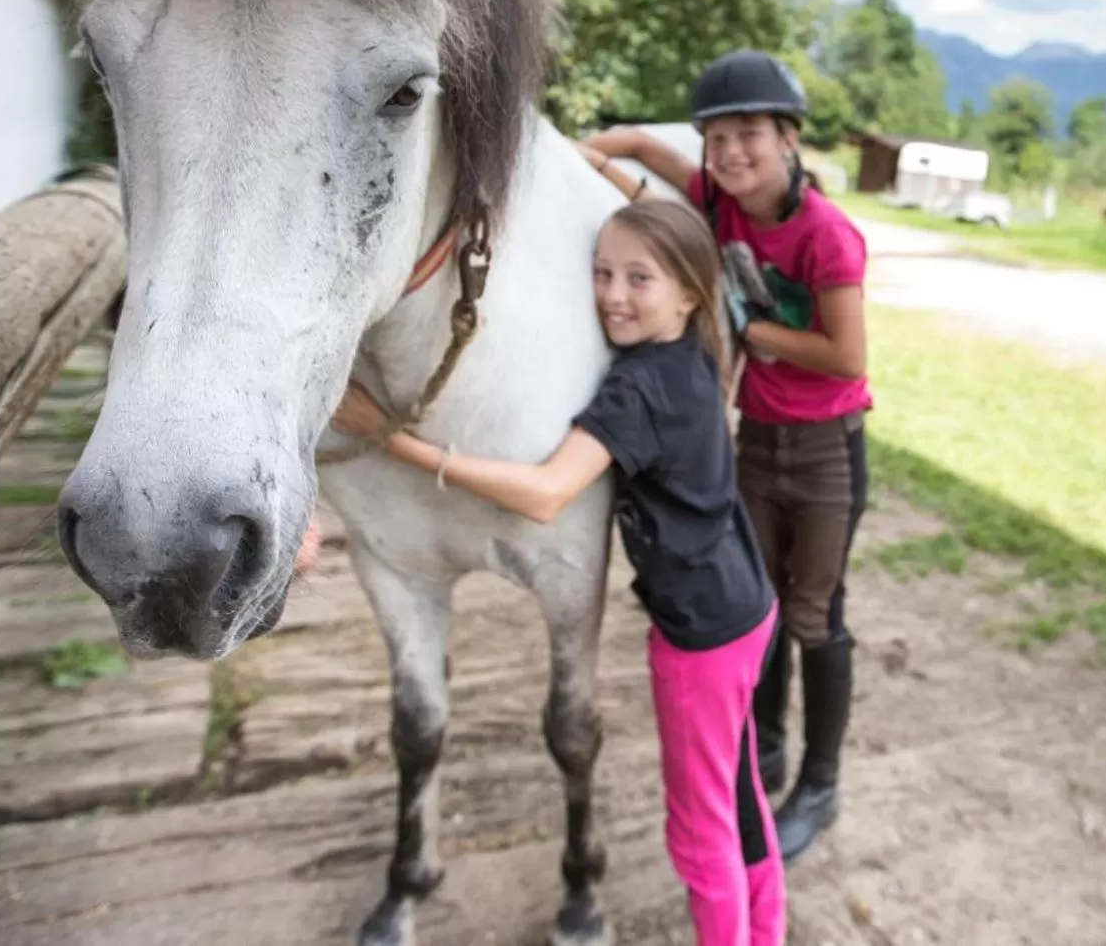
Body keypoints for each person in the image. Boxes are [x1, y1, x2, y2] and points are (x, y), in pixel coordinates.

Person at [331, 198, 786, 946]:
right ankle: (768, 927)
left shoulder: (635, 391)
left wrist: (395, 440)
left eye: (639, 278)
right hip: (747, 607)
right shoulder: (695, 353)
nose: (612, 294)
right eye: (602, 272)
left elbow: (545, 494)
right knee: (739, 795)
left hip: (699, 641)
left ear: (690, 292)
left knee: (699, 832)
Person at [582, 51, 871, 864]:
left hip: (823, 452)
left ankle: (819, 781)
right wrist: (593, 151)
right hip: (757, 439)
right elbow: (643, 148)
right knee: (764, 603)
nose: (730, 154)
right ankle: (768, 746)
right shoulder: (715, 194)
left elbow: (847, 357)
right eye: (716, 140)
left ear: (789, 138)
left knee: (815, 615)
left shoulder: (826, 236)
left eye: (749, 135)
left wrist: (744, 327)